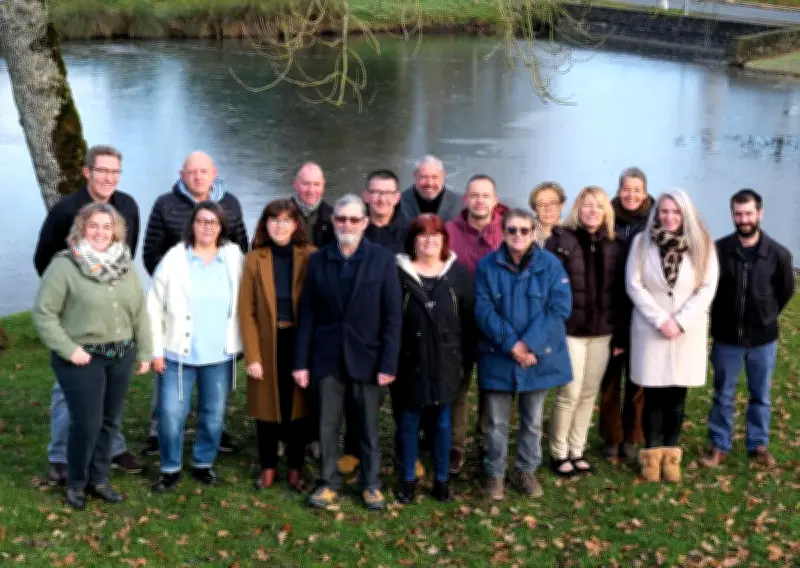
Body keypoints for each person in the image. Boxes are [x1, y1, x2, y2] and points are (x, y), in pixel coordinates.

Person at [32, 144, 143, 485]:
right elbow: (43, 259)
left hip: (111, 311)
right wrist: (70, 296)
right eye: (102, 171)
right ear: (87, 172)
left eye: (115, 172)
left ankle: (111, 447)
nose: (109, 177)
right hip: (74, 312)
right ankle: (61, 455)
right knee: (69, 388)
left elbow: (126, 254)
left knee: (109, 388)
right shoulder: (66, 210)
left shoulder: (127, 206)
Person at [293, 194, 402, 511]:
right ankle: (328, 482)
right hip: (326, 358)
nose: (347, 225)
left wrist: (388, 362)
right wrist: (301, 362)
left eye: (355, 219)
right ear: (333, 221)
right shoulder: (318, 260)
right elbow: (308, 315)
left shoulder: (382, 260)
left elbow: (393, 317)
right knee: (327, 425)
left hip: (368, 359)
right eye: (341, 219)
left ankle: (370, 484)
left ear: (365, 223)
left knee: (367, 426)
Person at [141, 151, 248, 456]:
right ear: (181, 174)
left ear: (214, 172)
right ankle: (158, 430)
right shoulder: (165, 204)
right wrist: (178, 287)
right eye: (192, 172)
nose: (198, 177)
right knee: (170, 381)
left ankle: (214, 431)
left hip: (216, 303)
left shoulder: (231, 204)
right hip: (178, 304)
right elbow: (151, 252)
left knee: (213, 376)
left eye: (204, 171)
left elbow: (242, 246)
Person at [475, 209, 573, 500]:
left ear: (534, 233)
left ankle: (526, 470)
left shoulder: (552, 266)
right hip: (499, 354)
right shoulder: (487, 266)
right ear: (503, 232)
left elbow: (558, 308)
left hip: (536, 355)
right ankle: (495, 474)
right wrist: (512, 345)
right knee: (495, 422)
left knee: (532, 420)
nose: (518, 236)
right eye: (512, 230)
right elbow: (483, 310)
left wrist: (528, 343)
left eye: (524, 230)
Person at [147, 202, 244, 492]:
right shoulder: (175, 258)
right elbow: (152, 307)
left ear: (221, 226)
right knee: (171, 413)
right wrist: (155, 350)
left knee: (213, 414)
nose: (206, 227)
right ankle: (170, 467)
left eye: (213, 222)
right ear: (192, 225)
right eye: (201, 221)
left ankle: (203, 463)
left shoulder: (234, 256)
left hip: (219, 355)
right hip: (178, 354)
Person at [626, 189, 719, 483]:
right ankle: (652, 456)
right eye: (664, 211)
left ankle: (671, 456)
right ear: (657, 213)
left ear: (685, 214)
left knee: (678, 397)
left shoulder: (703, 244)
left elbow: (707, 288)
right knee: (653, 394)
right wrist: (660, 320)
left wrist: (680, 322)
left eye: (676, 212)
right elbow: (634, 284)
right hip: (651, 330)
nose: (669, 217)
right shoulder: (642, 243)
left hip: (686, 333)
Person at [701, 189, 795, 468]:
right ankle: (719, 444)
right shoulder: (717, 251)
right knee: (723, 394)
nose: (743, 219)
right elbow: (709, 290)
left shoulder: (778, 254)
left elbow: (785, 291)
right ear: (732, 215)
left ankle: (758, 444)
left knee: (761, 395)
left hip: (763, 338)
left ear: (760, 213)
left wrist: (766, 314)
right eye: (738, 214)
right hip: (727, 337)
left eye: (749, 213)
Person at [546, 186, 626, 476]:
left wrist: (620, 334)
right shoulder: (560, 241)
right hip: (570, 331)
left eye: (599, 206)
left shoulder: (616, 245)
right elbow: (548, 287)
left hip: (602, 331)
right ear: (578, 209)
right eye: (587, 205)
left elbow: (621, 294)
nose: (593, 211)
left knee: (589, 393)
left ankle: (577, 449)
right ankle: (558, 452)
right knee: (569, 392)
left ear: (607, 212)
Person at [394, 214, 475, 504]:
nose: (429, 241)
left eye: (435, 235)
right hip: (409, 362)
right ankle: (407, 478)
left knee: (442, 423)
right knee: (408, 421)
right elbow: (391, 321)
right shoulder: (399, 274)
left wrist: (464, 360)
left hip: (447, 362)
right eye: (422, 235)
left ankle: (442, 480)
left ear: (443, 239)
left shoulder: (458, 275)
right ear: (413, 240)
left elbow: (468, 322)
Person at [238, 199, 316, 491]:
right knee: (267, 408)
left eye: (286, 220)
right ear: (265, 224)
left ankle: (296, 468)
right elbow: (246, 311)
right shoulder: (254, 258)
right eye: (273, 220)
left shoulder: (310, 256)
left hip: (299, 341)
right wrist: (253, 356)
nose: (279, 226)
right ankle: (268, 467)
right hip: (267, 342)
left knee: (298, 407)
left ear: (296, 225)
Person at [337, 169, 409, 477]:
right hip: (363, 329)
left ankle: (407, 452)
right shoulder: (355, 227)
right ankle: (353, 450)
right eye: (375, 192)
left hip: (403, 321)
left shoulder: (409, 232)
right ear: (366, 196)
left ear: (397, 197)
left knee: (404, 396)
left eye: (387, 193)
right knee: (359, 393)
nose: (380, 198)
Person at [445, 174, 507, 473]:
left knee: (491, 387)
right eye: (474, 195)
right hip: (459, 325)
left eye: (486, 195)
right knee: (457, 387)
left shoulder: (508, 231)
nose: (480, 200)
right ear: (466, 199)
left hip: (495, 325)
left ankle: (485, 441)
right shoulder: (449, 232)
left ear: (495, 200)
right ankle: (455, 445)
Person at [598, 167, 655, 462]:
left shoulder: (656, 222)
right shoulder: (605, 218)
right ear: (619, 190)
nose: (631, 195)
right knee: (609, 378)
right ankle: (612, 436)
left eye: (637, 190)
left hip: (642, 310)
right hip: (610, 306)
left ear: (644, 193)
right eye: (626, 189)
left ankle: (633, 436)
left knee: (638, 378)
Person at [398, 155, 463, 222]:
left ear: (443, 176)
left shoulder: (461, 203)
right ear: (415, 176)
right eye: (423, 177)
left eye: (434, 177)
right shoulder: (398, 203)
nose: (429, 183)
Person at [292, 162, 334, 247]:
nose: (311, 190)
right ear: (295, 184)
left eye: (316, 184)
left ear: (323, 186)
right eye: (306, 184)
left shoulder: (335, 217)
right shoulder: (280, 214)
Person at [529, 181, 567, 247]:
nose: (547, 208)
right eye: (541, 204)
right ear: (534, 209)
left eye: (552, 203)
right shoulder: (525, 232)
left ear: (562, 205)